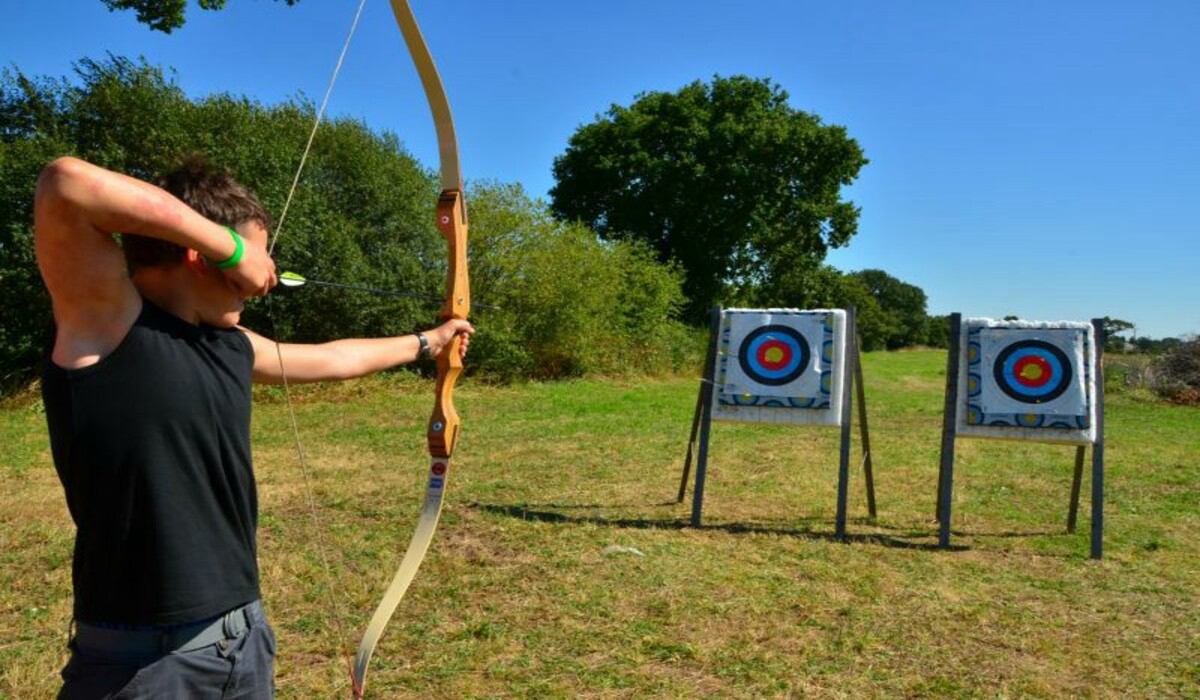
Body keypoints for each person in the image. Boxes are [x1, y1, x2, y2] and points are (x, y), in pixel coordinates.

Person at [34, 155, 473, 699]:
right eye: (259, 257)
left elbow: (334, 358)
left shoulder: (230, 345)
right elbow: (65, 184)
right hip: (144, 663)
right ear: (201, 255)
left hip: (243, 639)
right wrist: (237, 249)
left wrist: (431, 342)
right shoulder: (106, 324)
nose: (264, 278)